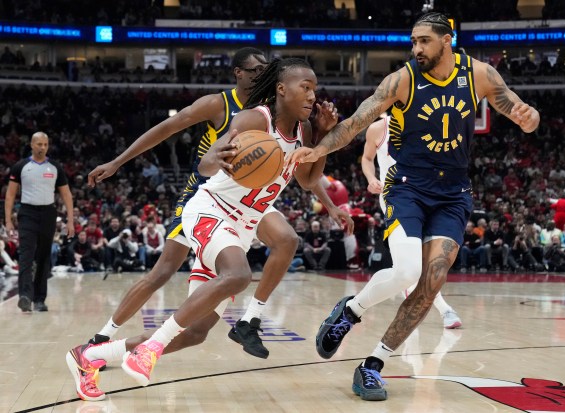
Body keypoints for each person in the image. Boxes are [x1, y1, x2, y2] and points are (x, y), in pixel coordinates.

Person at [287, 12, 540, 401]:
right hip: (407, 188)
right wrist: (320, 148)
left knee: (430, 284)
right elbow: (355, 122)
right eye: (413, 41)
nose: (416, 48)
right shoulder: (403, 79)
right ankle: (350, 311)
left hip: (453, 195)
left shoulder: (481, 75)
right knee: (407, 269)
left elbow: (520, 111)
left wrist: (530, 118)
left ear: (447, 39)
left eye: (424, 41)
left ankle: (371, 366)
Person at [65, 56, 347, 401]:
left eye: (315, 89)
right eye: (306, 87)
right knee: (238, 274)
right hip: (211, 210)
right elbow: (205, 163)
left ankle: (89, 356)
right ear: (281, 89)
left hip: (243, 224)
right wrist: (220, 157)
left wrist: (323, 137)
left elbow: (306, 180)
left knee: (196, 332)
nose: (313, 96)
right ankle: (150, 348)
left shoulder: (304, 130)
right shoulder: (254, 119)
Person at [361, 115, 462, 328]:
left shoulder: (430, 123)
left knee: (422, 261)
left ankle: (409, 288)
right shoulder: (379, 128)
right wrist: (371, 179)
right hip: (396, 195)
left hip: (428, 194)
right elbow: (367, 158)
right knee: (420, 262)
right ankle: (445, 310)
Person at [4, 131, 75, 312]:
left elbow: (66, 195)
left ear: (48, 146)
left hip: (48, 214)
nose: (42, 147)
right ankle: (25, 296)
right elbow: (10, 195)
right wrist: (8, 220)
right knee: (26, 255)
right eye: (39, 144)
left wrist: (70, 222)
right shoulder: (20, 166)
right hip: (27, 213)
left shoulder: (55, 167)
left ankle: (40, 299)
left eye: (45, 144)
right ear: (32, 145)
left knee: (43, 257)